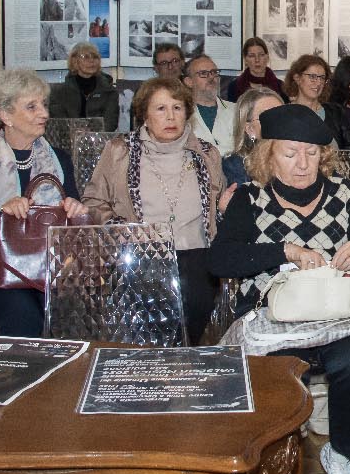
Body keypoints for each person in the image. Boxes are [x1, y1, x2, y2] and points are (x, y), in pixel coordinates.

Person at [209, 104, 350, 474]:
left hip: (336, 316)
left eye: (311, 153)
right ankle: (276, 468)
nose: (302, 164)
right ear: (268, 154)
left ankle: (342, 457)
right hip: (274, 321)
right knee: (275, 372)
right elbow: (220, 261)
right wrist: (284, 251)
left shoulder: (347, 196)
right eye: (290, 153)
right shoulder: (250, 199)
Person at [82, 77, 228, 345]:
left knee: (190, 334)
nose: (170, 117)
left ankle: (183, 377)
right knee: (151, 339)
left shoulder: (208, 154)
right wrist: (125, 231)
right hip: (141, 256)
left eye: (177, 108)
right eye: (160, 109)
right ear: (145, 116)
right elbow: (93, 201)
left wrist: (225, 209)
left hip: (197, 255)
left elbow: (218, 207)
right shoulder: (119, 151)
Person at [0, 69, 89, 337]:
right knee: (25, 318)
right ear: (6, 115)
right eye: (31, 107)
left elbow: (72, 225)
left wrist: (75, 210)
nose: (44, 113)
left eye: (43, 104)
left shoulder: (59, 159)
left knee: (72, 314)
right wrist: (3, 216)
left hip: (48, 264)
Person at [284, 54, 350, 149]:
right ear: (297, 78)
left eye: (322, 78)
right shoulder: (284, 115)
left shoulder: (336, 112)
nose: (318, 83)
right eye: (312, 77)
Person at [47, 42, 119, 131]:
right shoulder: (58, 92)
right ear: (74, 61)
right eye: (86, 57)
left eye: (95, 57)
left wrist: (91, 138)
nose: (92, 60)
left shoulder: (109, 91)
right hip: (69, 142)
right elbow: (59, 124)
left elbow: (110, 124)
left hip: (100, 141)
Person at [222, 86, 283, 186]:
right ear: (250, 129)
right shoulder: (235, 166)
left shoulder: (300, 155)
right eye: (267, 117)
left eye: (282, 114)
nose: (278, 121)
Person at [181, 54, 237, 155]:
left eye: (214, 72)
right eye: (203, 73)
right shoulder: (180, 114)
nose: (211, 77)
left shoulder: (237, 110)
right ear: (189, 82)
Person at [225, 37, 286, 102]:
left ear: (267, 57)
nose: (257, 60)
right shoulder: (234, 86)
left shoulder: (281, 86)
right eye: (252, 56)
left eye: (261, 55)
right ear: (245, 59)